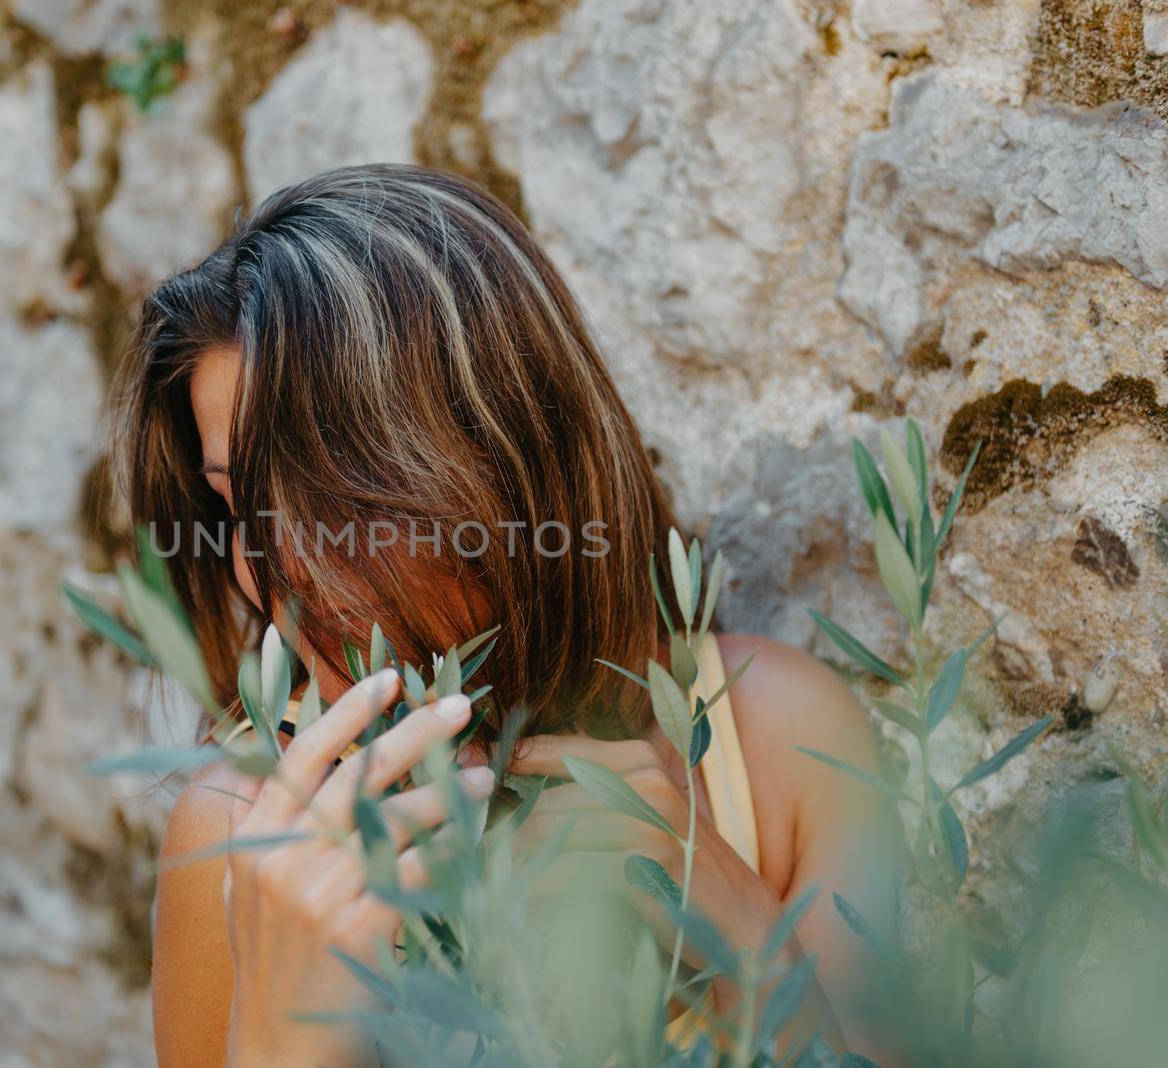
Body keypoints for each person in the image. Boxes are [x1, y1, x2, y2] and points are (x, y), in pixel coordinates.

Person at [113, 164, 897, 1066]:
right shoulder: (241, 840)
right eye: (242, 501)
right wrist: (280, 1039)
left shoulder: (778, 744)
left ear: (511, 467)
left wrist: (736, 922)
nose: (284, 566)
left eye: (345, 498)